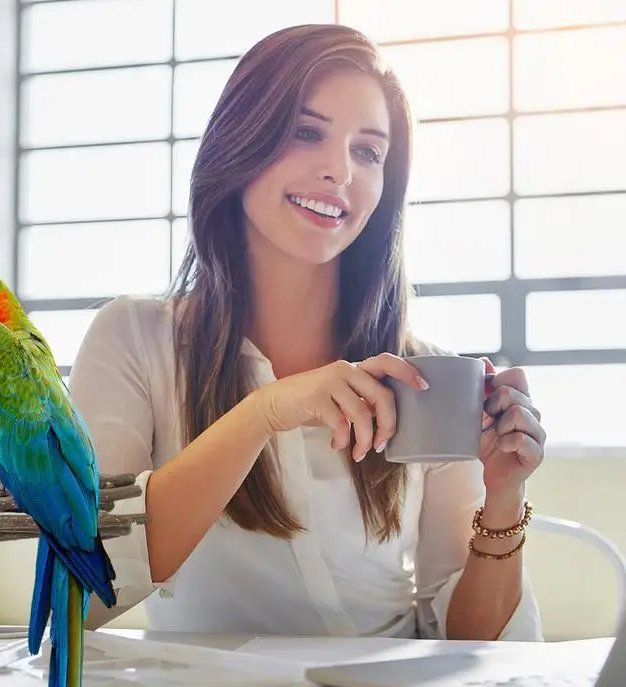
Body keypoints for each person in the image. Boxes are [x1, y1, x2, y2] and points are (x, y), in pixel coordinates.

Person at [69, 23, 546, 640]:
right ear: (240, 141)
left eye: (368, 152)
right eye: (306, 131)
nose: (338, 170)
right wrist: (265, 412)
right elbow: (80, 596)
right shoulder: (133, 341)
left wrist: (503, 497)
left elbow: (470, 646)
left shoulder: (425, 375)